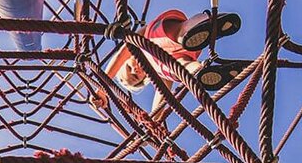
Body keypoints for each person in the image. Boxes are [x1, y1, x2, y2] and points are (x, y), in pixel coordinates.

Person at [101, 8, 247, 112]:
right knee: (180, 69)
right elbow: (162, 98)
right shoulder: (158, 74)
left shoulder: (135, 46)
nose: (135, 70)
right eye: (135, 76)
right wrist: (152, 123)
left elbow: (121, 54)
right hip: (176, 58)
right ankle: (199, 72)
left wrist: (102, 88)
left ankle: (211, 22)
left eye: (128, 67)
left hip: (156, 38)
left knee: (179, 34)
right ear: (144, 79)